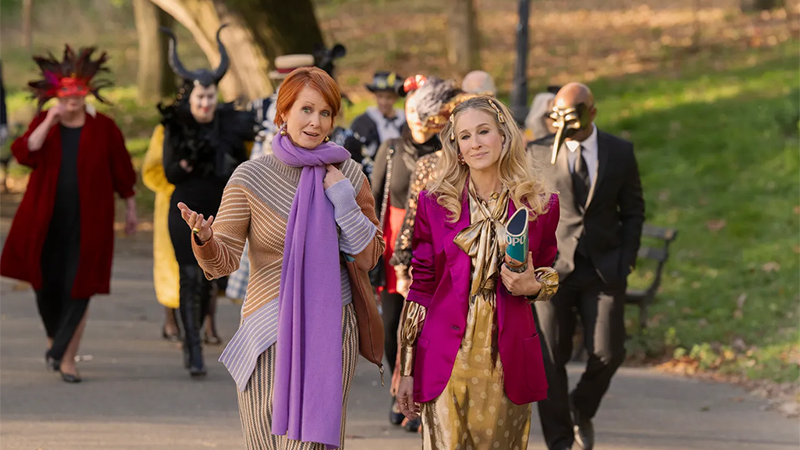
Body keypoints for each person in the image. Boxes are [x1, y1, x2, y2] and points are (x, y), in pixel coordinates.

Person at [177, 67, 384, 449]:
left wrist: (343, 202)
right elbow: (222, 263)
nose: (316, 122)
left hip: (331, 328)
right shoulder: (251, 176)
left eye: (325, 113)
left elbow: (369, 256)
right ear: (283, 113)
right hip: (266, 332)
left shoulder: (349, 173)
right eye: (306, 109)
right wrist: (204, 238)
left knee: (312, 444)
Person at [395, 96, 560, 450]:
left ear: (504, 136)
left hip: (507, 358)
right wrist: (406, 367)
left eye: (483, 131)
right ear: (456, 148)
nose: (475, 143)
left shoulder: (540, 205)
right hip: (444, 355)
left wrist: (533, 286)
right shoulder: (434, 204)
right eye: (465, 136)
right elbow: (421, 287)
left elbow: (547, 271)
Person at [0, 45, 138, 383]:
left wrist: (130, 206)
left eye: (78, 90)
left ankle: (67, 358)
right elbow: (24, 153)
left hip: (89, 223)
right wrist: (49, 120)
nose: (72, 98)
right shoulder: (45, 124)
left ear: (87, 91)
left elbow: (121, 169)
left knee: (80, 285)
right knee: (45, 285)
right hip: (45, 221)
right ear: (56, 93)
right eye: (65, 91)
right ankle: (55, 344)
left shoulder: (103, 127)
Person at [527, 82, 644, 450]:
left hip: (603, 268)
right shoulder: (538, 151)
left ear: (592, 113)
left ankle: (580, 407)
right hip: (551, 270)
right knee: (550, 358)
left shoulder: (620, 152)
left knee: (609, 352)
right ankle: (560, 441)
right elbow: (526, 212)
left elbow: (634, 211)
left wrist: (625, 261)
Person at [371, 74, 471, 431]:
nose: (416, 118)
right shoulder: (392, 148)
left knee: (422, 326)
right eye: (410, 111)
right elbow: (374, 199)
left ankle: (413, 395)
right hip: (396, 241)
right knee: (394, 325)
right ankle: (398, 388)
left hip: (431, 248)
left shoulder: (442, 156)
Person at [159, 26, 254, 376]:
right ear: (190, 98)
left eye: (210, 98)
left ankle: (195, 332)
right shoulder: (177, 125)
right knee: (188, 276)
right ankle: (193, 349)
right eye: (200, 98)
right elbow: (169, 172)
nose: (205, 104)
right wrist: (185, 163)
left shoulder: (230, 126)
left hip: (219, 214)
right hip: (184, 211)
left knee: (209, 279)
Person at [349, 71, 407, 175]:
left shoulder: (406, 119)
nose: (384, 102)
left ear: (396, 98)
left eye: (389, 97)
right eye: (380, 96)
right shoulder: (362, 122)